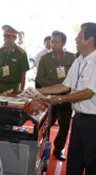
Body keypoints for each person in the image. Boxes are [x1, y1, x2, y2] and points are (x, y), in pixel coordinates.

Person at [37, 22, 96, 175]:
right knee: (75, 154)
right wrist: (38, 92)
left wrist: (59, 100)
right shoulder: (79, 60)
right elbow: (65, 85)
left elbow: (88, 92)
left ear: (91, 39)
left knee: (91, 159)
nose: (77, 39)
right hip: (79, 115)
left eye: (80, 36)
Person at [35, 31, 76, 161]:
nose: (53, 44)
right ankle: (42, 146)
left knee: (64, 125)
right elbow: (39, 78)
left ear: (63, 43)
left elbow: (75, 77)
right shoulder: (45, 59)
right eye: (52, 41)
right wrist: (53, 86)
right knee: (46, 124)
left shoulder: (71, 58)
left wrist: (64, 86)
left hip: (66, 97)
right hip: (50, 97)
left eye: (56, 42)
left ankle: (58, 149)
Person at [0, 25, 29, 97]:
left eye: (9, 38)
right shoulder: (0, 51)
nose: (7, 40)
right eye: (5, 37)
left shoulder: (21, 53)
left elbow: (23, 74)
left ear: (15, 38)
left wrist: (22, 90)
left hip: (13, 88)